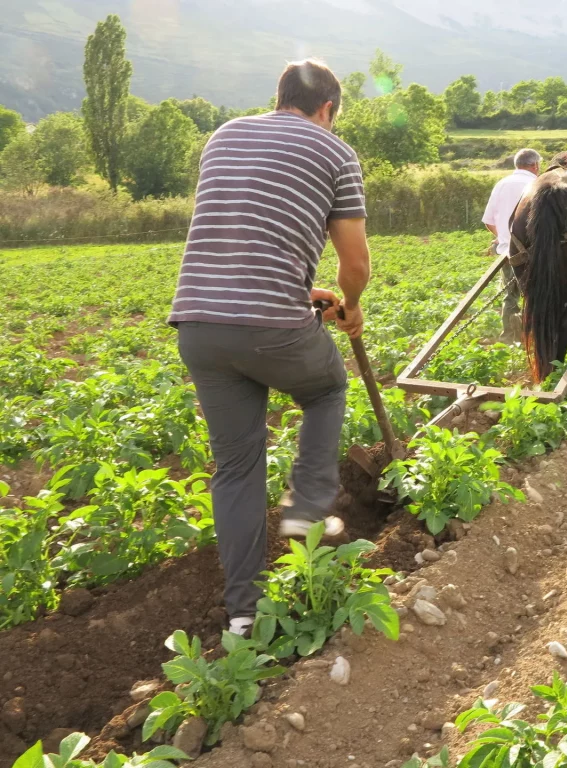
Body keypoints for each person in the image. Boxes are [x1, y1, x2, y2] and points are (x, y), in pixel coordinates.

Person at [168, 59, 370, 637]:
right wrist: (350, 306)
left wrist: (305, 288)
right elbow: (355, 263)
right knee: (328, 388)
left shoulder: (224, 136)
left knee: (235, 468)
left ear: (278, 98)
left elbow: (238, 234)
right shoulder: (336, 152)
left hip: (199, 326)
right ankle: (306, 514)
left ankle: (241, 614)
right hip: (273, 328)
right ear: (328, 108)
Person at [482, 148, 542, 342]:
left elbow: (488, 220)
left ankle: (509, 335)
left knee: (510, 294)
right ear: (535, 166)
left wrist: (503, 237)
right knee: (537, 292)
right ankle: (536, 333)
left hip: (508, 252)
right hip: (536, 252)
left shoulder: (502, 184)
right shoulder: (537, 184)